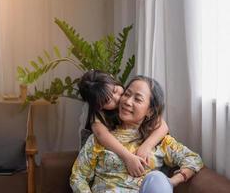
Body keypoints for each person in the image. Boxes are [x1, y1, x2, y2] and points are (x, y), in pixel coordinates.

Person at [71, 75, 203, 193]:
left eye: (138, 99)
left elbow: (193, 159)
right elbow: (78, 177)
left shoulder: (161, 141)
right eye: (127, 94)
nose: (127, 101)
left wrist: (172, 182)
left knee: (156, 178)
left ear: (150, 111)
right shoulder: (98, 138)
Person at [78, 70, 169, 176]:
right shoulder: (98, 116)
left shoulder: (131, 97)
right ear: (99, 106)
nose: (118, 98)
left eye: (115, 90)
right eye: (108, 101)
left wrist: (146, 146)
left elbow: (163, 126)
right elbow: (102, 136)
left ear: (113, 78)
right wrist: (128, 157)